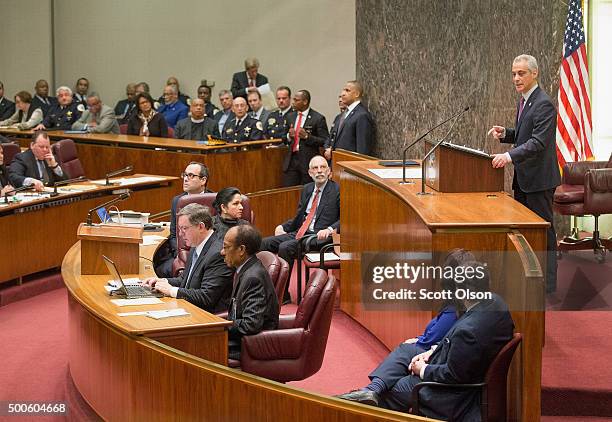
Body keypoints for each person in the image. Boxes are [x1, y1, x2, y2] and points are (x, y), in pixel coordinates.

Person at [337, 260, 514, 421]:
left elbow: (453, 375)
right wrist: (431, 352)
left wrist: (423, 369)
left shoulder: (468, 332)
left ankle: (349, 413)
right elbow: (459, 348)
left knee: (396, 388)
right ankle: (371, 390)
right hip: (455, 361)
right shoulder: (496, 302)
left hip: (451, 393)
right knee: (406, 350)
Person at [488, 54, 560, 293]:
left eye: (521, 73)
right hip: (524, 179)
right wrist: (507, 133)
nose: (516, 78)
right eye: (513, 74)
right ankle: (530, 278)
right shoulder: (525, 101)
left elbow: (538, 142)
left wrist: (508, 156)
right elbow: (524, 134)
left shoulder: (544, 103)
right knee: (527, 232)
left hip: (539, 180)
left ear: (534, 73)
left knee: (543, 231)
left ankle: (548, 284)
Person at [261, 155, 339, 303]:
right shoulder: (308, 188)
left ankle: (282, 295)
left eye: (323, 167)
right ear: (310, 173)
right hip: (300, 232)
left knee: (285, 247)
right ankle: (265, 288)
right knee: (263, 243)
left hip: (319, 237)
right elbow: (299, 217)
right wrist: (283, 226)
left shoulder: (336, 190)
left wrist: (330, 229)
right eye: (315, 168)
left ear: (329, 171)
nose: (319, 171)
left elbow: (345, 218)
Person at [142, 203, 233, 313]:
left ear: (201, 227)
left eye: (184, 228)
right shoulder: (196, 245)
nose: (180, 234)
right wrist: (161, 282)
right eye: (179, 229)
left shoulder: (217, 254)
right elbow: (185, 281)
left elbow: (207, 297)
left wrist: (172, 291)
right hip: (190, 307)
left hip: (207, 317)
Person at [221, 224, 279, 360]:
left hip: (249, 346)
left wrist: (221, 326)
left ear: (241, 250)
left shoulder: (253, 278)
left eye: (226, 247)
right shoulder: (245, 269)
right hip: (240, 340)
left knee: (197, 348)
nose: (222, 252)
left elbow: (250, 325)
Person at [155, 162, 212, 278]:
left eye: (191, 175)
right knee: (160, 268)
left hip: (206, 254)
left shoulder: (213, 200)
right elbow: (173, 234)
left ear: (203, 180)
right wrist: (179, 254)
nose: (185, 179)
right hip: (182, 253)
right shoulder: (177, 200)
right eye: (185, 175)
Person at [283, 89, 330, 186]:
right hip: (292, 160)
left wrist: (307, 137)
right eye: (294, 99)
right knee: (289, 190)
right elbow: (283, 138)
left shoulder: (317, 118)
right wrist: (288, 136)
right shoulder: (290, 117)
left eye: (297, 100)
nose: (293, 102)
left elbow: (324, 140)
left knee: (306, 190)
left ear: (305, 102)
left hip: (307, 160)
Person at [324, 80, 374, 156]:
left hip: (349, 164)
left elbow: (362, 149)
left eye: (347, 90)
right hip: (337, 162)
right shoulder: (343, 114)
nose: (342, 94)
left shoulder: (362, 115)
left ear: (356, 94)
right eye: (343, 90)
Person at [326, 94, 348, 159]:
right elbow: (330, 136)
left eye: (343, 98)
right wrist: (326, 148)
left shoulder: (351, 118)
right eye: (339, 98)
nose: (340, 100)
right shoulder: (338, 117)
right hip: (332, 156)